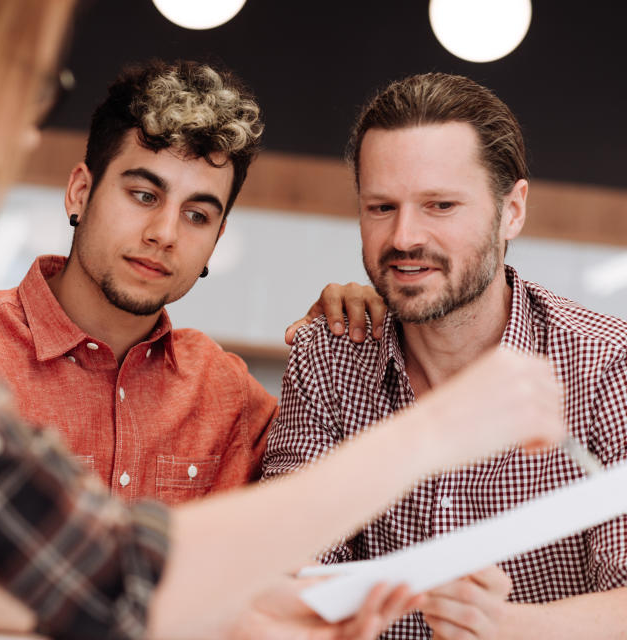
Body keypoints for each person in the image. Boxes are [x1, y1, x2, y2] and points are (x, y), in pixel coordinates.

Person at [0, 2, 564, 636]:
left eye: (201, 212)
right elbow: (95, 571)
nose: (21, 130)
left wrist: (243, 613)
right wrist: (439, 429)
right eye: (29, 83)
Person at [0, 59, 388, 630]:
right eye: (144, 194)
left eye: (197, 215)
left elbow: (308, 538)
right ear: (80, 191)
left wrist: (350, 338)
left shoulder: (228, 395)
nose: (165, 233)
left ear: (215, 241)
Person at [262, 72, 627, 639]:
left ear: (512, 211)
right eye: (382, 207)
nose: (405, 236)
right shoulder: (328, 358)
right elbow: (283, 568)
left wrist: (505, 627)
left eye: (440, 205)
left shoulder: (607, 364)